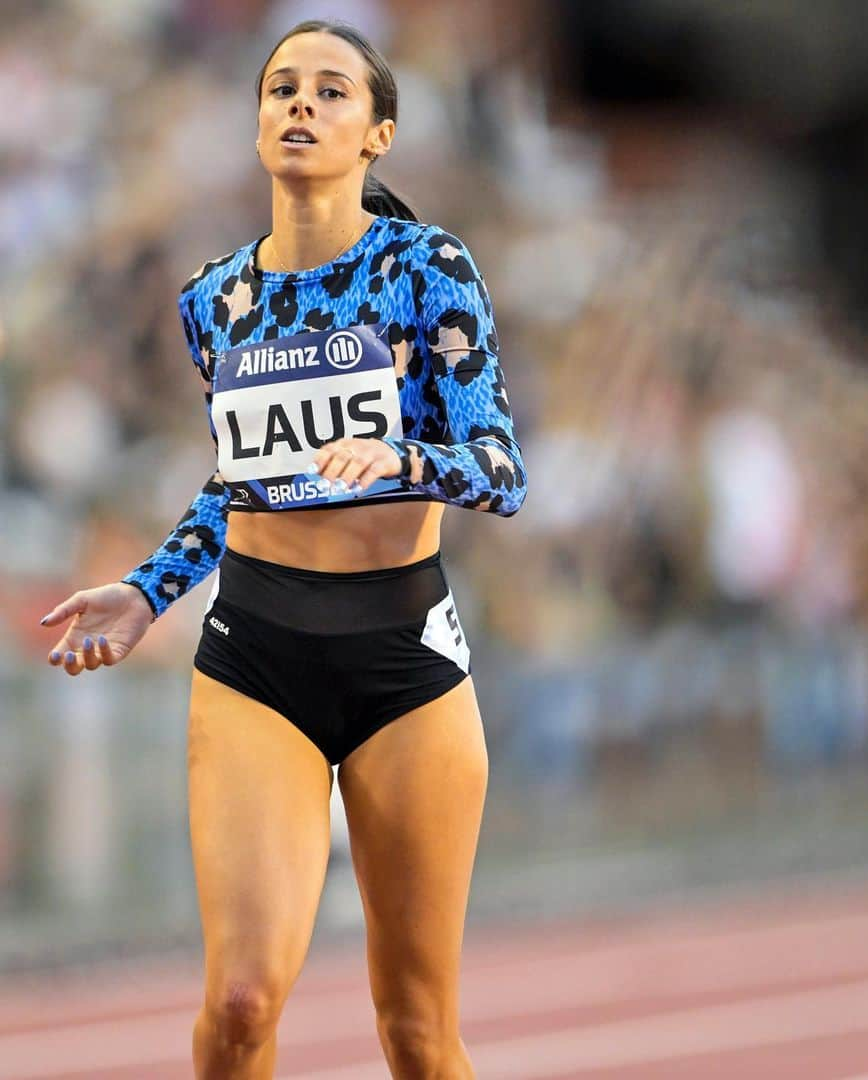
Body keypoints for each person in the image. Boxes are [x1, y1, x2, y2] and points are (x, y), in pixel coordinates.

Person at [39, 18, 526, 1079]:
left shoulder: (427, 266)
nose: (301, 104)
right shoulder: (213, 300)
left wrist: (398, 455)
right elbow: (240, 478)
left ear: (379, 133)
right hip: (256, 654)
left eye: (332, 91)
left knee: (417, 1033)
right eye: (281, 88)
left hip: (405, 665)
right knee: (242, 1000)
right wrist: (149, 589)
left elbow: (500, 466)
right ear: (258, 120)